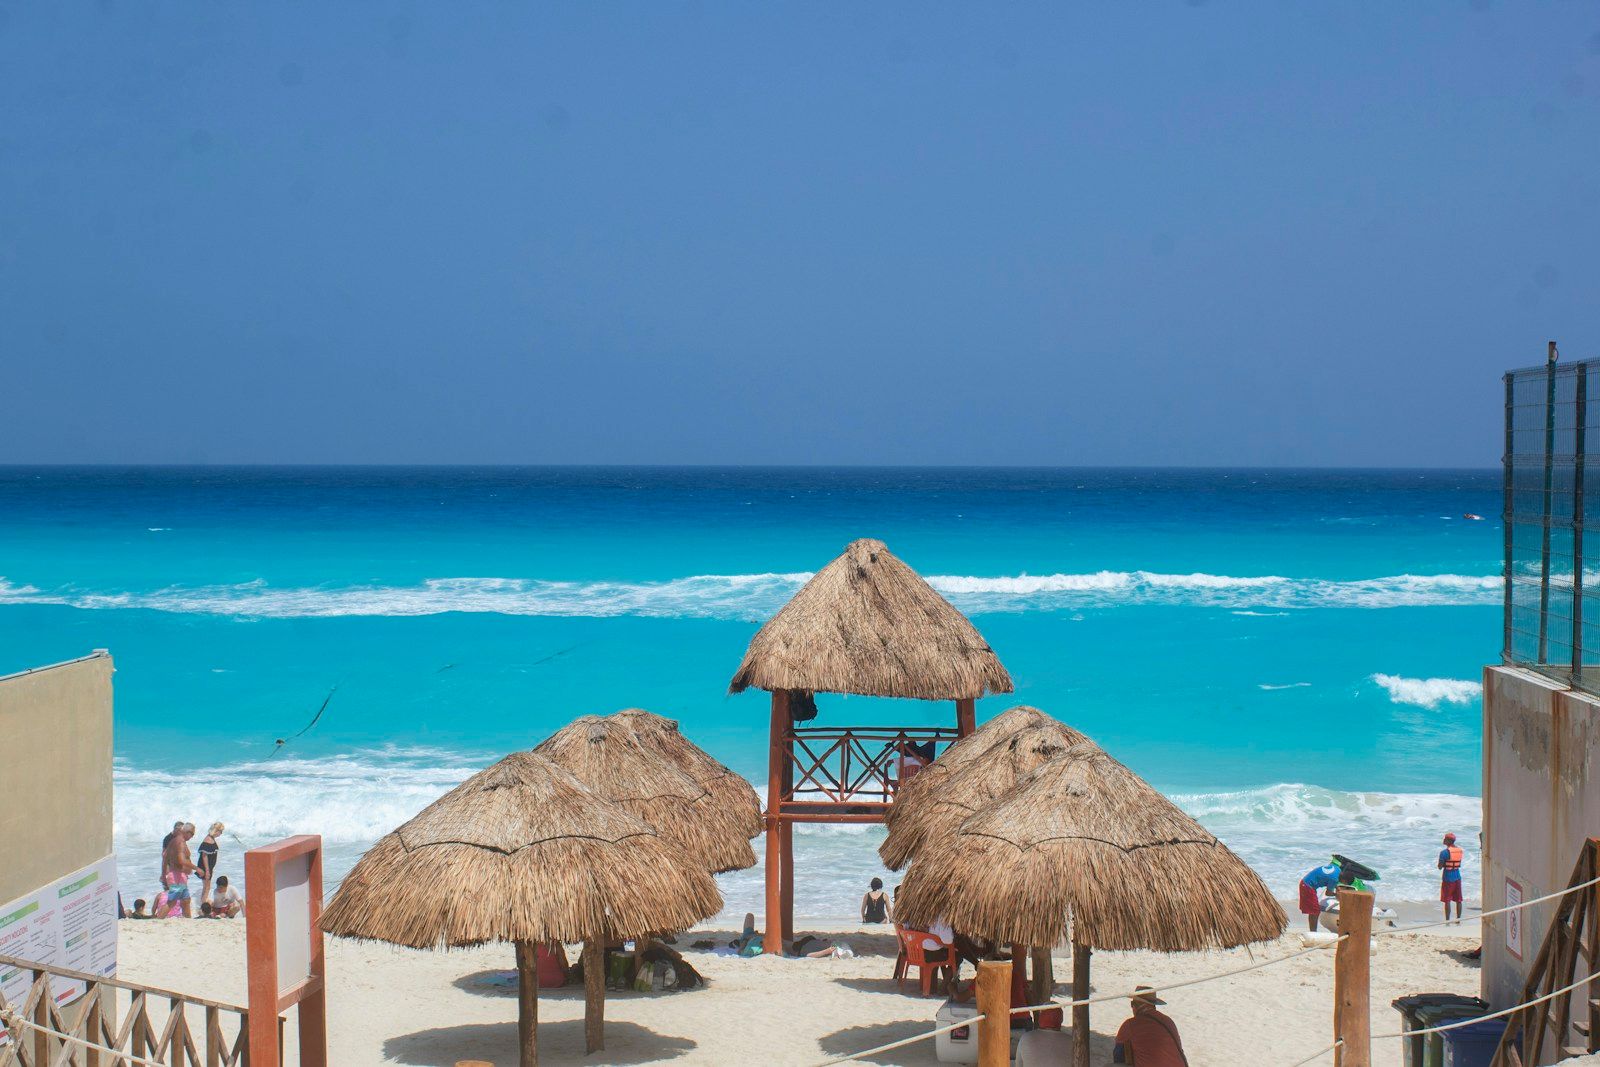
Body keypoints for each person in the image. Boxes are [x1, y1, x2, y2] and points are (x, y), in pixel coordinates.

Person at [1113, 986, 1188, 1066]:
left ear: (1137, 1005)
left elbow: (1118, 1055)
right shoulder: (1168, 1021)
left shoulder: (1130, 1025)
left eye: (1132, 1004)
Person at [162, 823, 197, 918]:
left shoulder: (178, 841)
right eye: (192, 834)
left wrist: (163, 874)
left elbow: (165, 856)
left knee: (186, 900)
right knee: (172, 902)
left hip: (180, 876)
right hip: (176, 876)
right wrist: (197, 868)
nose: (192, 837)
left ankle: (188, 920)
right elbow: (181, 860)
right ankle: (159, 919)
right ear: (187, 832)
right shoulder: (179, 842)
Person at [1299, 858, 1342, 933]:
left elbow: (1329, 876)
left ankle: (1313, 931)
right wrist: (1336, 894)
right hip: (1307, 886)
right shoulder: (1335, 879)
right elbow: (1328, 893)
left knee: (1314, 910)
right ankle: (1313, 932)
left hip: (1306, 883)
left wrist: (1336, 887)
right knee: (1315, 911)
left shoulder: (1338, 870)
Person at [1438, 831, 1465, 924]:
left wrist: (1443, 863)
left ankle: (1447, 921)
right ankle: (1458, 920)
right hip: (1457, 876)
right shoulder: (1460, 851)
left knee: (1447, 900)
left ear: (1449, 841)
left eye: (1445, 839)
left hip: (1448, 878)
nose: (1443, 840)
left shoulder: (1444, 853)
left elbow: (1439, 867)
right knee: (1459, 899)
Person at [196, 822, 223, 905]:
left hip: (208, 867)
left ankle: (203, 904)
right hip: (205, 867)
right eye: (221, 831)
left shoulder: (211, 838)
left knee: (206, 887)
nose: (221, 833)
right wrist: (207, 871)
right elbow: (204, 856)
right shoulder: (208, 840)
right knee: (207, 887)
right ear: (216, 830)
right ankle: (203, 905)